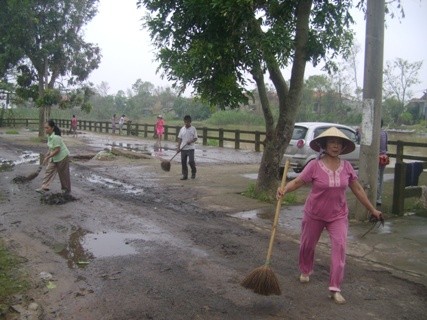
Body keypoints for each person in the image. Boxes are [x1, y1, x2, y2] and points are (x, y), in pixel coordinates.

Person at [276, 127, 383, 305]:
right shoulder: (314, 166)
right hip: (314, 214)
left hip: (338, 215)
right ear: (324, 145)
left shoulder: (347, 167)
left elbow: (357, 189)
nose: (336, 146)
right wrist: (284, 189)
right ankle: (305, 269)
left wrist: (372, 209)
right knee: (307, 245)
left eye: (339, 143)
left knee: (340, 248)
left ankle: (335, 288)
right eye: (332, 142)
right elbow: (299, 181)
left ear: (343, 147)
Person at [36, 120, 71, 194]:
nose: (45, 130)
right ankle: (44, 187)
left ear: (52, 128)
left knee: (63, 174)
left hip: (62, 157)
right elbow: (51, 147)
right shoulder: (49, 136)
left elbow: (57, 150)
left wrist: (48, 157)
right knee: (48, 170)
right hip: (55, 157)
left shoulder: (56, 137)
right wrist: (47, 154)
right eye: (45, 128)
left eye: (47, 128)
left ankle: (66, 190)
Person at [177, 115, 198, 180]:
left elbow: (195, 138)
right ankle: (185, 175)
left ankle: (193, 172)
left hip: (191, 148)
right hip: (183, 148)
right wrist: (178, 147)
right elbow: (180, 139)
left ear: (190, 122)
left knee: (191, 161)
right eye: (185, 122)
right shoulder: (182, 129)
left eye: (187, 122)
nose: (186, 123)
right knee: (183, 162)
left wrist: (191, 141)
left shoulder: (193, 128)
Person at [377, 120, 388, 206]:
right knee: (381, 177)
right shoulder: (385, 133)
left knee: (376, 178)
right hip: (384, 157)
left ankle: (376, 197)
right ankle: (379, 198)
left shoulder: (376, 134)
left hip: (377, 157)